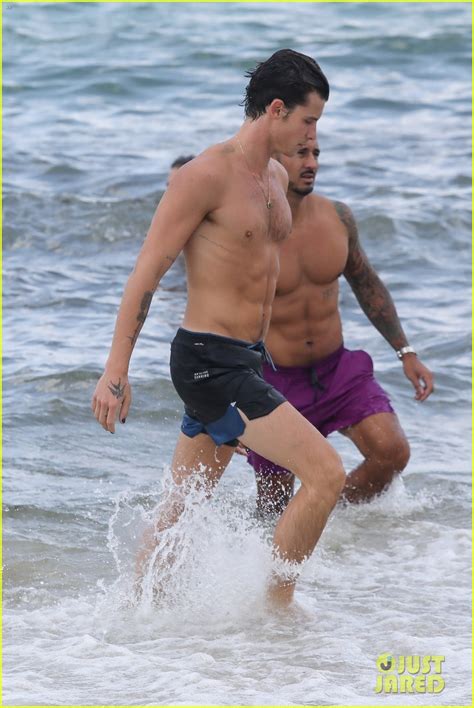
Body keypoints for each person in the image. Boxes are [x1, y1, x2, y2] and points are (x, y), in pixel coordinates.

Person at [91, 49, 345, 607]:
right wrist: (116, 371)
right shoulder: (204, 176)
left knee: (184, 504)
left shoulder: (276, 175)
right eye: (309, 120)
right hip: (209, 363)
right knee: (327, 475)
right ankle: (278, 612)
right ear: (276, 110)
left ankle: (136, 615)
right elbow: (145, 275)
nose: (312, 135)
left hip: (241, 359)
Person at [245, 139, 434, 513]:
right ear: (273, 161)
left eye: (315, 154)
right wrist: (226, 397)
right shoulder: (250, 230)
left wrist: (406, 352)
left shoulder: (337, 217)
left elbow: (366, 284)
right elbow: (223, 312)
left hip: (337, 373)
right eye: (300, 153)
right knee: (273, 507)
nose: (311, 163)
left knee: (391, 452)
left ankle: (329, 517)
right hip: (274, 382)